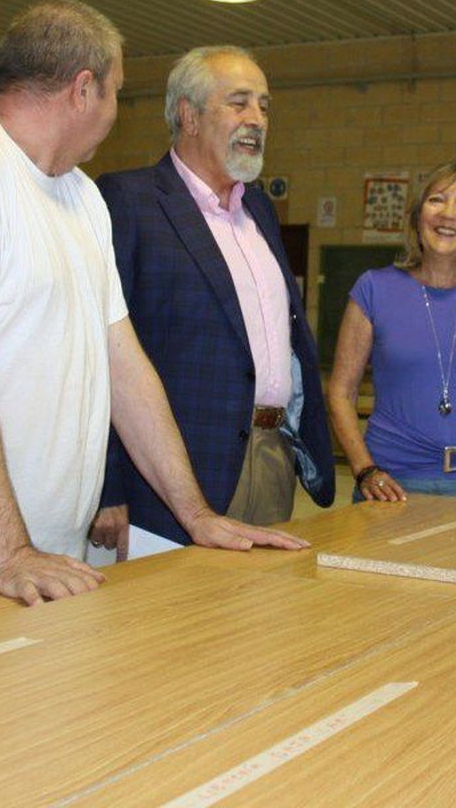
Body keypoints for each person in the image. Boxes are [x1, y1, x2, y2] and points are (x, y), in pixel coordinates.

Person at [0, 0, 304, 628]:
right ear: (83, 88)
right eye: (117, 93)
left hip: (38, 569)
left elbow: (126, 369)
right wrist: (11, 552)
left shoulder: (79, 198)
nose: (116, 113)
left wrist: (196, 514)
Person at [91, 47, 334, 552]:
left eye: (264, 106)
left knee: (260, 623)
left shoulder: (260, 211)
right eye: (239, 103)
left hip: (270, 459)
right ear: (188, 114)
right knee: (168, 627)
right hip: (168, 481)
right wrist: (106, 486)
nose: (257, 120)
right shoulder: (130, 201)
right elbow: (100, 355)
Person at [326, 160, 456, 502]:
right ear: (417, 216)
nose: (448, 213)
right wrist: (364, 469)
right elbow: (340, 393)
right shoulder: (373, 289)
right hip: (393, 487)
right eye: (437, 199)